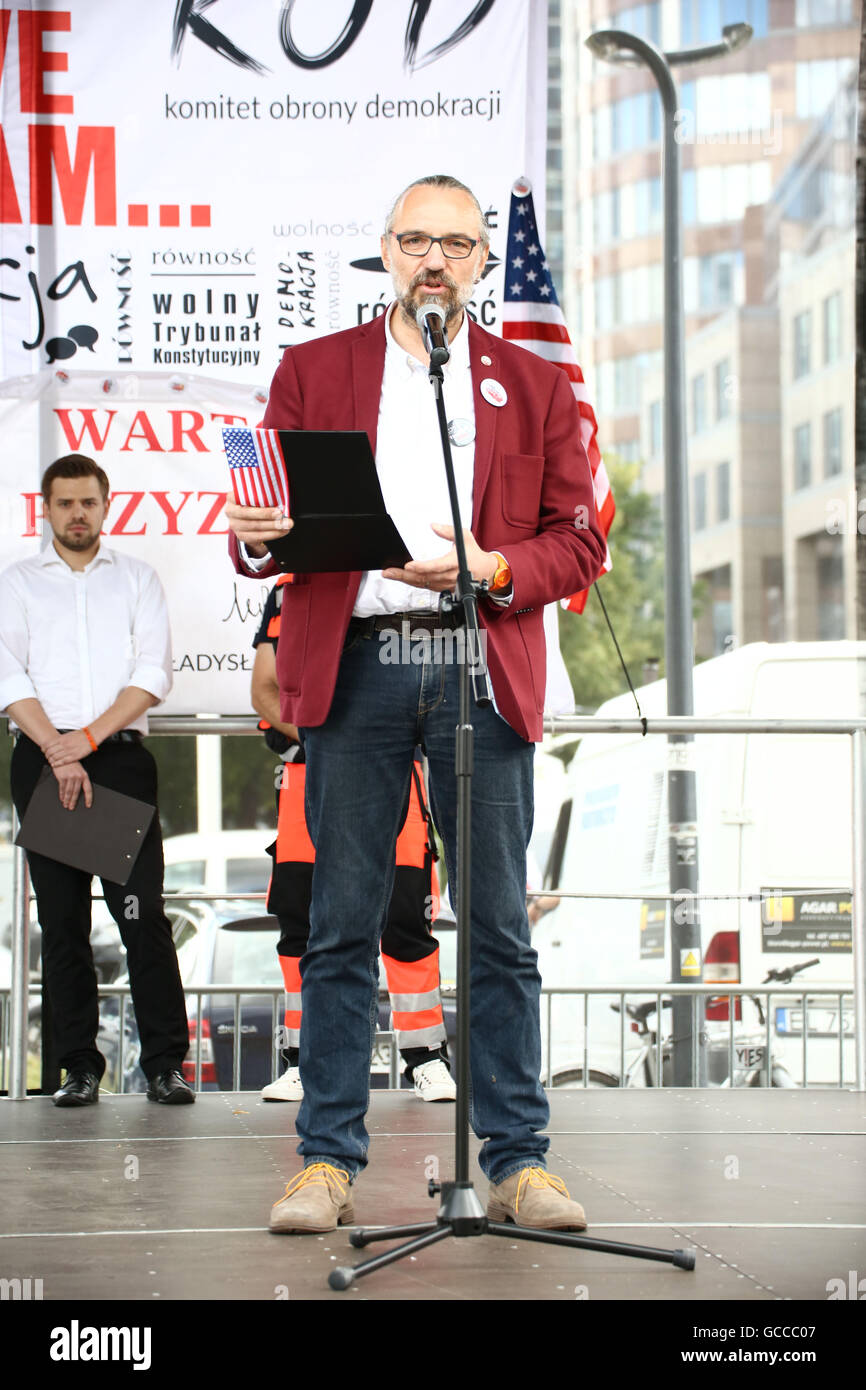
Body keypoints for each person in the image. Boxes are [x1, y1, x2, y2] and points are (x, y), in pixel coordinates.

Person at [225, 174, 606, 1234]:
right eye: (414, 240)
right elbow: (263, 533)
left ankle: (519, 1160)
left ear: (481, 261)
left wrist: (491, 566)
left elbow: (580, 539)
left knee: (494, 924)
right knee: (341, 918)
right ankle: (326, 1162)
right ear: (386, 253)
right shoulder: (313, 371)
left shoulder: (530, 386)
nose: (433, 259)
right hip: (355, 662)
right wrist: (258, 531)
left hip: (479, 658)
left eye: (455, 243)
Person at [0, 454, 192, 1106]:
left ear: (106, 506)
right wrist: (57, 749)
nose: (77, 514)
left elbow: (152, 673)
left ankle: (166, 1064)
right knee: (63, 926)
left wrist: (83, 741)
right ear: (45, 509)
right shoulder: (18, 582)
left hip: (117, 760)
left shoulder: (136, 580)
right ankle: (76, 1068)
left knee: (142, 919)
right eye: (65, 503)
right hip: (41, 760)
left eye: (88, 502)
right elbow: (8, 676)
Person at [251, 575, 455, 1103]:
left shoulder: (398, 584)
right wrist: (336, 741)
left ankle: (427, 1058)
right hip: (308, 771)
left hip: (397, 772)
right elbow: (265, 691)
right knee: (305, 920)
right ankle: (302, 1061)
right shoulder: (288, 591)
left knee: (407, 915)